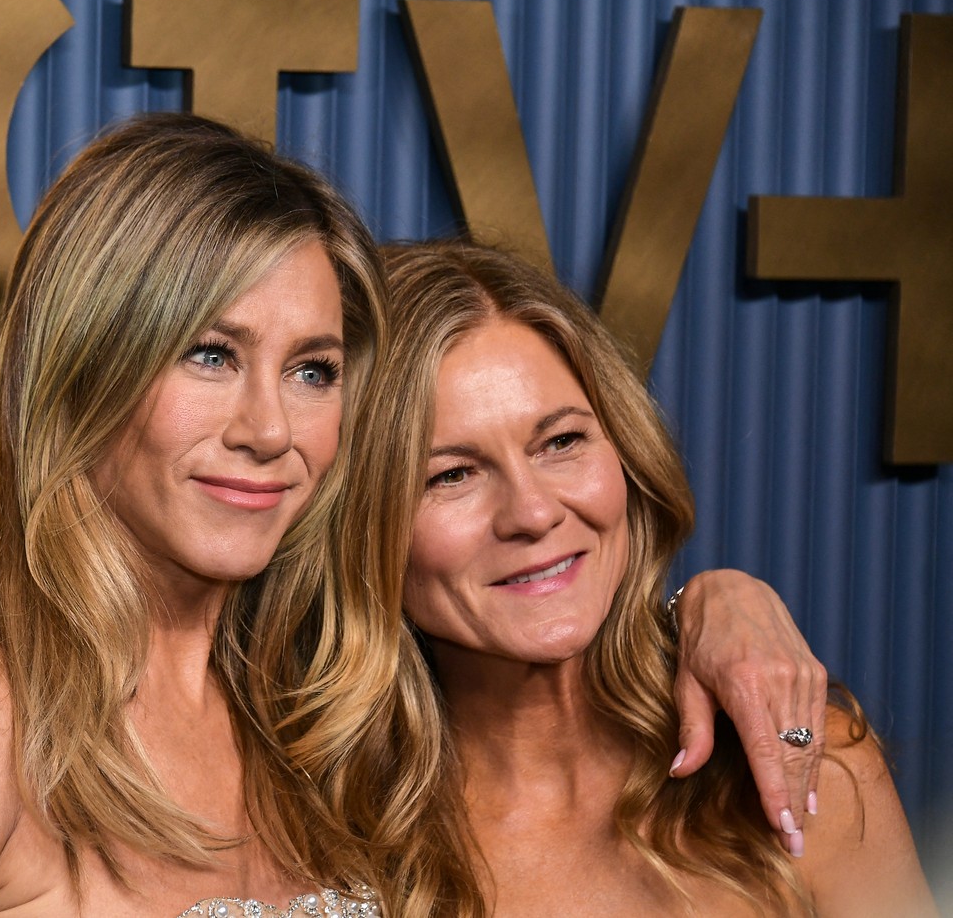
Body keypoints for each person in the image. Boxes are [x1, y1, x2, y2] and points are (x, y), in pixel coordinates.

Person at [0, 114, 831, 917]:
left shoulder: (307, 703)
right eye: (209, 354)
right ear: (83, 367)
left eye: (313, 369)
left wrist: (710, 607)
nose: (268, 428)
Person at [348, 238, 935, 916]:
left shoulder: (803, 763)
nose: (534, 513)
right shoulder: (311, 827)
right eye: (451, 474)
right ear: (359, 520)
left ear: (625, 450)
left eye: (561, 441)